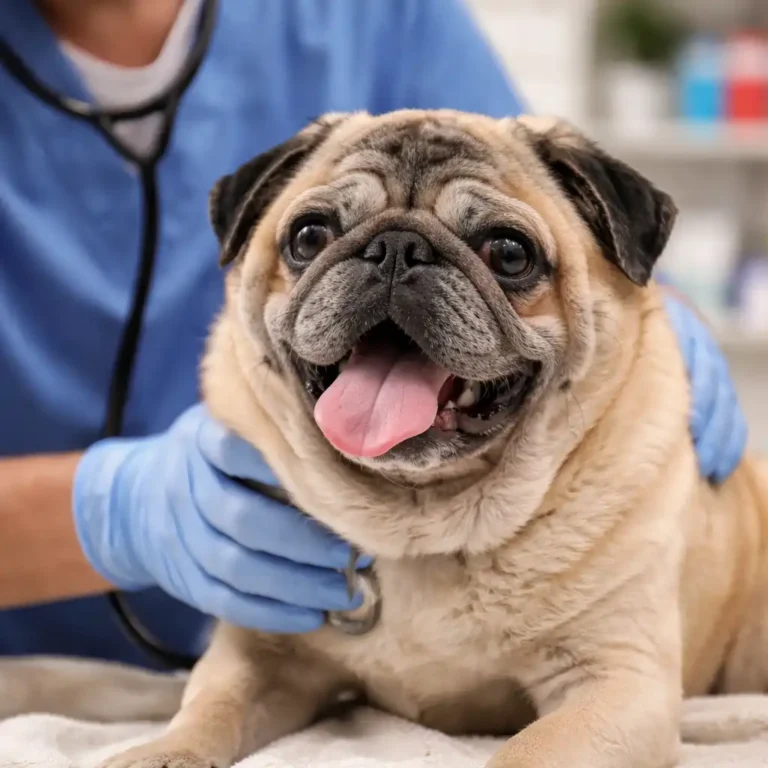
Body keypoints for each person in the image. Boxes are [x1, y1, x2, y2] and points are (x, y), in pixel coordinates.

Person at [0, 0, 747, 669]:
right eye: (315, 236)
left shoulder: (381, 12)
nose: (398, 265)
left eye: (501, 256)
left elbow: (565, 228)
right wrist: (115, 511)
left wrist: (662, 319)